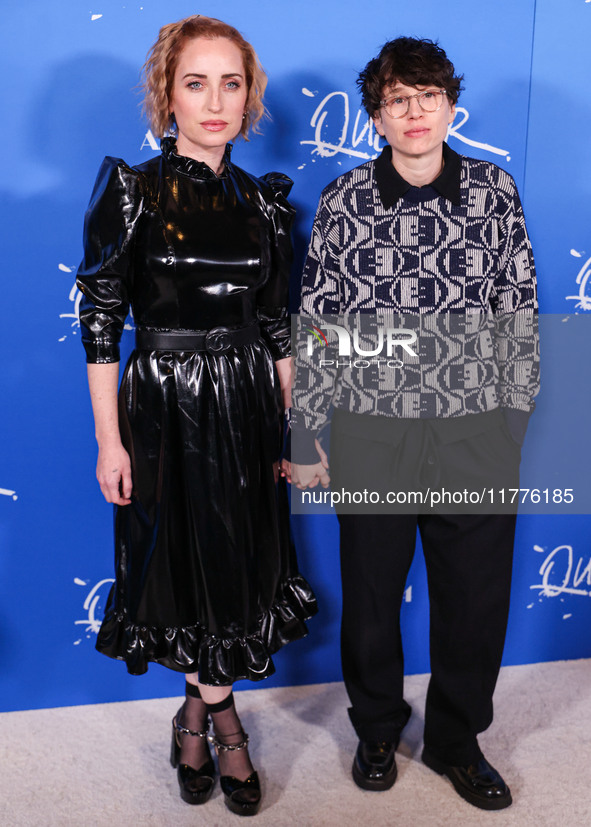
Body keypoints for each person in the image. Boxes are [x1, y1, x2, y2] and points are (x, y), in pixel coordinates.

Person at [76, 15, 317, 817]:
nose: (215, 100)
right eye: (195, 82)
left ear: (249, 97)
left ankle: (195, 713)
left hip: (247, 396)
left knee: (235, 561)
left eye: (231, 82)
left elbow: (280, 323)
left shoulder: (266, 204)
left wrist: (300, 424)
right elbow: (103, 319)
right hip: (164, 404)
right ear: (167, 94)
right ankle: (223, 717)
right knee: (175, 561)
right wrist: (110, 439)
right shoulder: (131, 190)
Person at [291, 37, 538, 811]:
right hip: (372, 430)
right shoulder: (342, 201)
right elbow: (317, 324)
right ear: (376, 117)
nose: (415, 111)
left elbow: (518, 314)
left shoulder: (494, 191)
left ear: (450, 106)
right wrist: (304, 433)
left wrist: (511, 424)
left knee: (474, 599)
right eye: (398, 99)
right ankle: (374, 728)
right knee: (369, 595)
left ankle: (458, 741)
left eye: (428, 95)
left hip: (474, 431)